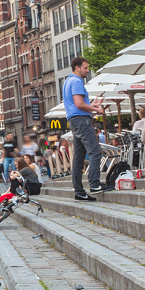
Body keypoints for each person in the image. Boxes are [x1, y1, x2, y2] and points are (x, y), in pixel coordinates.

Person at [62, 56, 104, 201]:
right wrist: (96, 110)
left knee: (78, 158)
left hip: (73, 120)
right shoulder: (77, 81)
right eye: (85, 68)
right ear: (77, 68)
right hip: (81, 120)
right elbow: (79, 104)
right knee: (95, 152)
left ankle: (79, 191)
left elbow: (77, 104)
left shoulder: (67, 81)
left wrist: (92, 105)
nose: (87, 70)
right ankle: (94, 184)